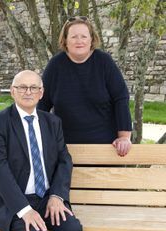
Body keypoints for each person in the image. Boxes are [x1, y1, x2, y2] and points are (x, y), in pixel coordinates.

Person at [0, 70, 82, 231]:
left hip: (46, 198)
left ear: (41, 93)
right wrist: (24, 210)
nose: (28, 92)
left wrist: (56, 196)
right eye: (22, 87)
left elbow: (64, 160)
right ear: (12, 91)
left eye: (33, 87)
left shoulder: (52, 122)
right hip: (12, 202)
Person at [37, 16, 132, 157]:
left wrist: (124, 137)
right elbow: (41, 104)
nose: (79, 41)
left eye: (84, 36)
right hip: (65, 149)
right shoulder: (56, 65)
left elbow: (121, 98)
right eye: (74, 36)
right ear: (65, 40)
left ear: (91, 40)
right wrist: (40, 137)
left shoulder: (104, 62)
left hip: (105, 148)